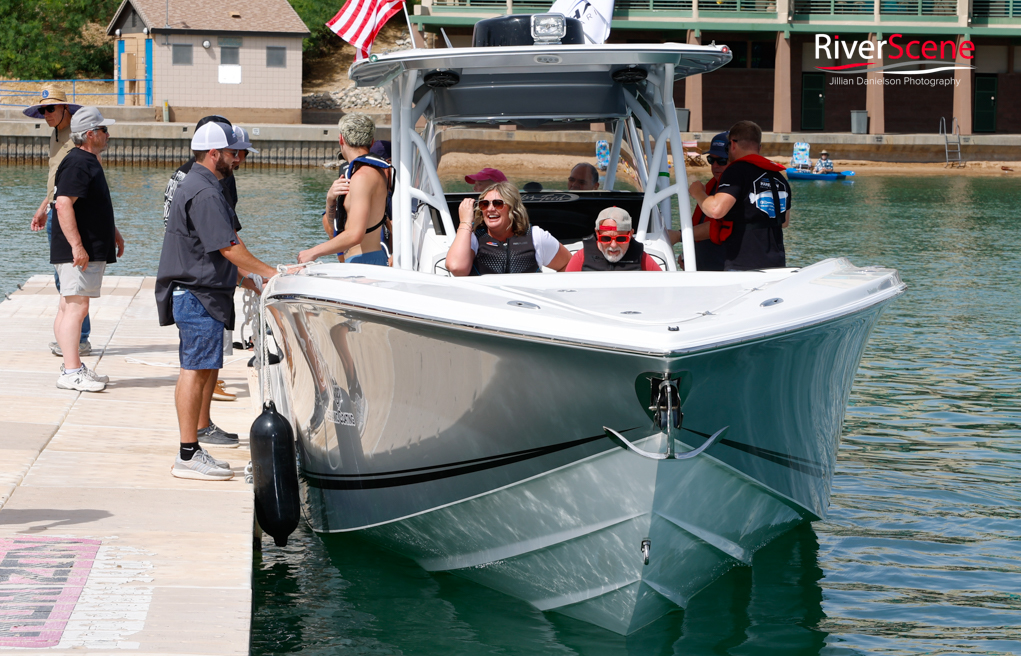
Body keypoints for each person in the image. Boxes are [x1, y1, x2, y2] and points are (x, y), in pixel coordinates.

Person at [156, 122, 282, 480]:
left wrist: (251, 280)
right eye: (233, 152)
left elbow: (210, 250)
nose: (238, 159)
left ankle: (192, 445)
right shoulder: (206, 192)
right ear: (215, 153)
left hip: (203, 292)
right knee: (194, 371)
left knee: (199, 369)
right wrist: (272, 274)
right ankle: (187, 454)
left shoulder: (201, 184)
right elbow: (228, 247)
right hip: (197, 294)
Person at [51, 107, 125, 392]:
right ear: (91, 134)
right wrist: (77, 246)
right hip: (76, 251)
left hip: (85, 247)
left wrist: (113, 233)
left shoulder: (87, 161)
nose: (108, 135)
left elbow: (93, 205)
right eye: (104, 130)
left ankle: (73, 366)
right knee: (76, 307)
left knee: (68, 306)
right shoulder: (79, 162)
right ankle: (71, 371)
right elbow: (63, 204)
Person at [25, 88, 93, 356]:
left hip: (69, 211)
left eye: (51, 109)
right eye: (43, 110)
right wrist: (42, 208)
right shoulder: (54, 135)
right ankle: (74, 335)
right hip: (55, 209)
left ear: (66, 109)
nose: (46, 114)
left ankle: (81, 338)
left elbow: (83, 177)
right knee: (62, 279)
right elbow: (55, 179)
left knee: (73, 279)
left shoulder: (75, 137)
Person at [688, 120, 791, 271]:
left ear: (733, 145)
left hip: (744, 265)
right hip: (776, 265)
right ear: (759, 147)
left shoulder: (736, 171)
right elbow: (784, 221)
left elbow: (716, 210)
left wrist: (698, 192)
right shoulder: (779, 177)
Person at [300, 113, 390, 265]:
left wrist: (312, 252)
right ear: (372, 141)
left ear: (341, 139)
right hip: (361, 260)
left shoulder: (363, 176)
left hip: (365, 262)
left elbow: (355, 234)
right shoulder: (364, 173)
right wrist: (330, 199)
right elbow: (331, 228)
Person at [445, 181, 571, 276]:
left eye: (497, 203)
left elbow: (569, 265)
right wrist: (465, 222)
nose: (490, 208)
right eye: (484, 204)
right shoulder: (473, 239)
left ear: (512, 208)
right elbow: (456, 268)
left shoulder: (536, 237)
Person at [668, 131, 729, 271]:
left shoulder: (734, 190)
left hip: (722, 270)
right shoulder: (711, 185)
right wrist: (688, 253)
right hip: (703, 267)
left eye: (722, 161)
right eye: (711, 160)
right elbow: (700, 222)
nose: (715, 166)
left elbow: (717, 225)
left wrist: (679, 235)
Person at [565, 207, 662, 271]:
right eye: (606, 238)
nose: (613, 245)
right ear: (597, 234)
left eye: (621, 239)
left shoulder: (642, 259)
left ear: (631, 235)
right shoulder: (581, 258)